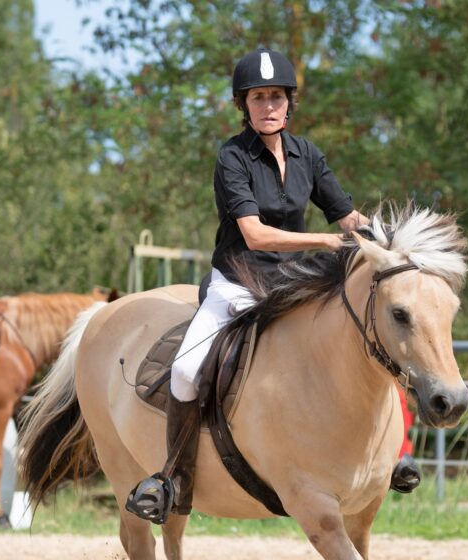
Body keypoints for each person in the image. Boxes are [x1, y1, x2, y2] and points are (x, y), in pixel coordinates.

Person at [126, 48, 419, 523]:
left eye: (276, 97)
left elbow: (347, 215)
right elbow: (255, 233)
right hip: (238, 283)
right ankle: (173, 479)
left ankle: (393, 455)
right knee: (185, 369)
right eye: (258, 97)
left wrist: (391, 240)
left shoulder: (308, 154)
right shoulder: (232, 156)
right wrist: (326, 240)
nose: (268, 106)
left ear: (289, 103)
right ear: (245, 105)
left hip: (293, 285)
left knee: (373, 335)